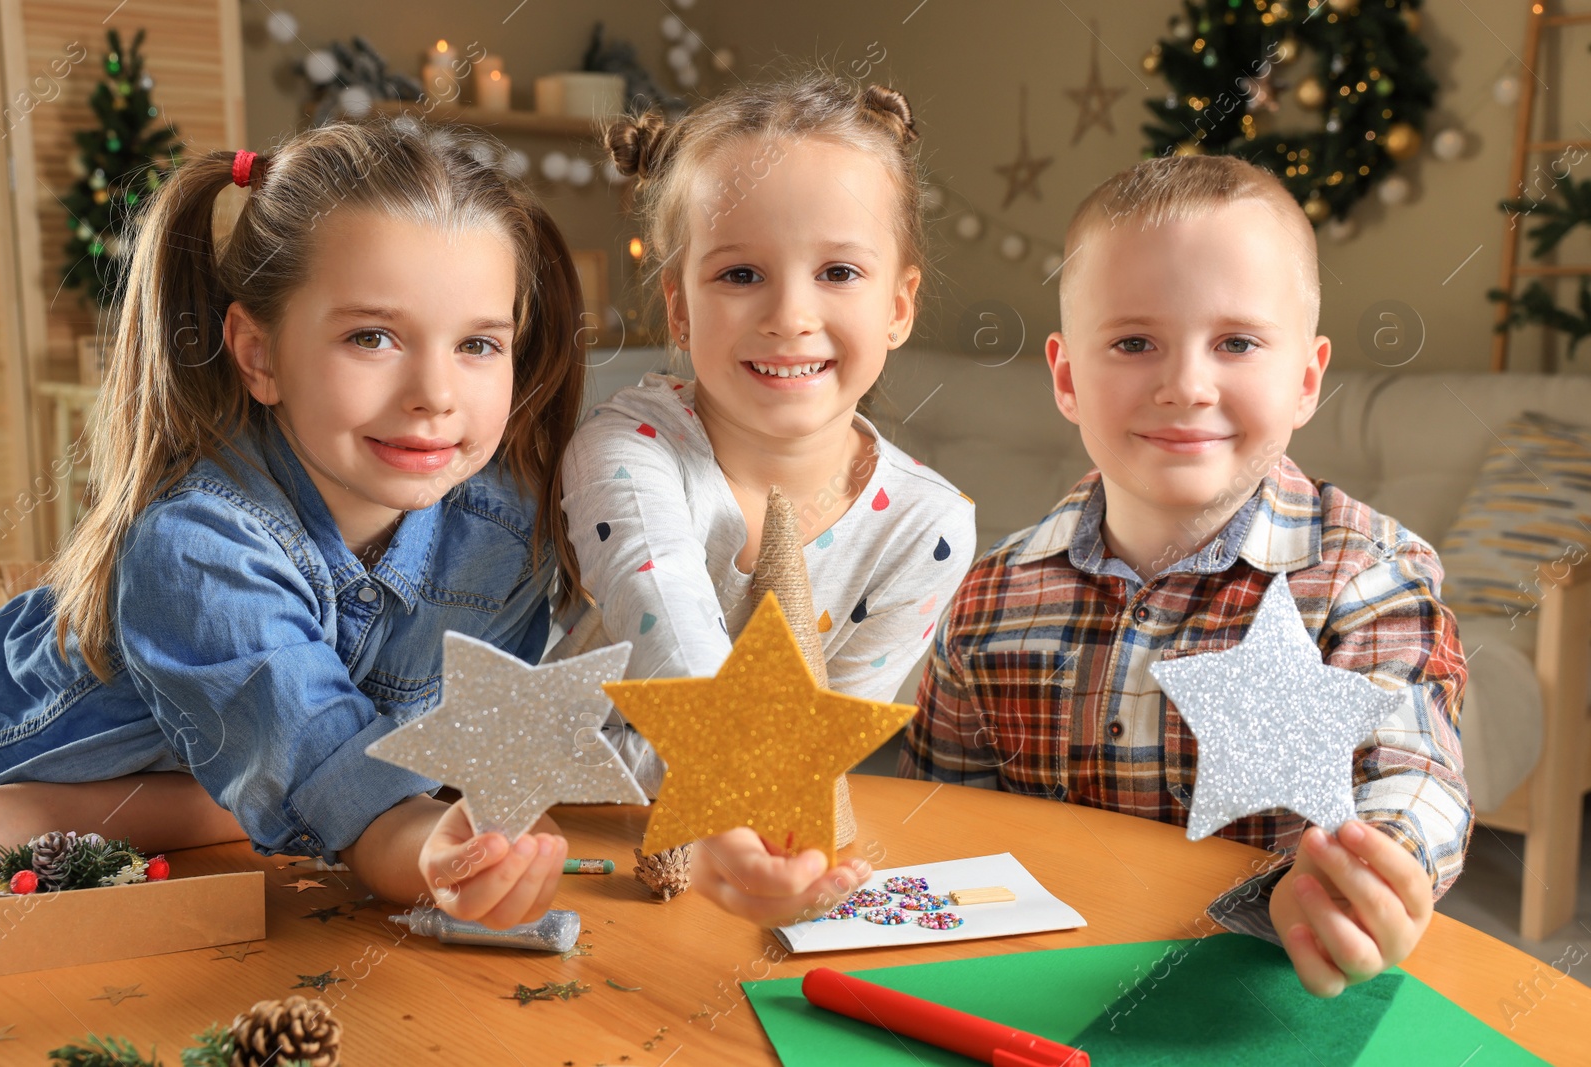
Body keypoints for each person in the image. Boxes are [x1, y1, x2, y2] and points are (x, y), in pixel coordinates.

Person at [0, 118, 586, 930]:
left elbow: (401, 780)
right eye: (372, 336)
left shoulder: (504, 530)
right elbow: (359, 805)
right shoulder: (198, 550)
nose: (435, 394)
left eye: (478, 343)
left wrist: (450, 823)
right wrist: (425, 843)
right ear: (260, 354)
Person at [899, 155, 1471, 997]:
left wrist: (1370, 871)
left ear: (1306, 378)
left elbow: (1415, 773)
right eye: (1135, 343)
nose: (1186, 386)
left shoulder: (1367, 581)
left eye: (1236, 342)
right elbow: (937, 828)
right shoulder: (991, 600)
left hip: (1267, 1002)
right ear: (1065, 378)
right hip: (1031, 998)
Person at [557, 73, 975, 922]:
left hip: (750, 852)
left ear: (898, 306)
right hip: (554, 836)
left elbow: (823, 741)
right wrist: (725, 799)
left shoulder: (928, 528)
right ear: (679, 306)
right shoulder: (624, 450)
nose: (790, 313)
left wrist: (766, 831)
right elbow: (661, 599)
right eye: (741, 272)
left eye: (838, 272)